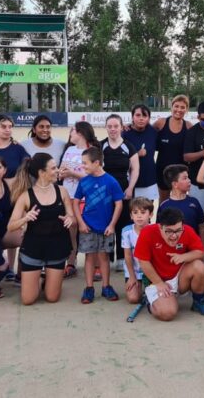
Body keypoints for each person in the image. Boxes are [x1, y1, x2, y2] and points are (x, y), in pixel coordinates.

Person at [8, 153, 76, 305]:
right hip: (33, 249)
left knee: (52, 298)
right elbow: (11, 226)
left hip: (57, 247)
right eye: (53, 168)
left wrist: (69, 219)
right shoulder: (26, 196)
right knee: (28, 300)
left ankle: (48, 279)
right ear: (41, 172)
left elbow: (72, 218)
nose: (57, 170)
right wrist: (25, 218)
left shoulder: (62, 191)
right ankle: (37, 278)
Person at [133, 208, 204, 320]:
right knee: (168, 313)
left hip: (180, 276)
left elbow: (200, 253)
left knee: (199, 266)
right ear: (160, 227)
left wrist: (183, 257)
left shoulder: (187, 230)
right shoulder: (147, 232)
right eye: (169, 231)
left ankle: (199, 301)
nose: (174, 236)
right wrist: (158, 282)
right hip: (157, 280)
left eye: (178, 230)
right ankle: (152, 301)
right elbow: (143, 261)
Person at [73, 147, 125, 304]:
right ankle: (89, 288)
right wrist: (81, 222)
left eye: (85, 163)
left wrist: (112, 224)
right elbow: (76, 203)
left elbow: (119, 204)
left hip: (106, 228)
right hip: (88, 227)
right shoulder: (84, 181)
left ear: (97, 163)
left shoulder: (111, 181)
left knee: (104, 257)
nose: (83, 166)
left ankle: (106, 286)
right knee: (89, 257)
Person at [59, 121, 100, 278]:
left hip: (86, 196)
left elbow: (95, 174)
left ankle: (95, 264)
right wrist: (61, 173)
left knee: (90, 229)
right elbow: (62, 169)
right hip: (68, 194)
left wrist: (72, 173)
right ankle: (71, 262)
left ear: (80, 133)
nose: (70, 134)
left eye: (72, 131)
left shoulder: (92, 151)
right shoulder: (69, 149)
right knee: (71, 229)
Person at [102, 114, 140, 270]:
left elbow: (135, 169)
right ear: (106, 127)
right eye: (109, 126)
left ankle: (121, 258)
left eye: (115, 126)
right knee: (107, 223)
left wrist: (130, 188)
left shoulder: (128, 146)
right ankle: (108, 257)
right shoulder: (100, 146)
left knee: (124, 224)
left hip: (125, 192)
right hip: (105, 193)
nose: (112, 129)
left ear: (121, 127)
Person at [154, 95, 192, 203]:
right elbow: (145, 133)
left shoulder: (188, 126)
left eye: (182, 107)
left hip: (181, 172)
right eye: (176, 106)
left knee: (182, 200)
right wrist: (129, 125)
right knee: (163, 201)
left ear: (186, 110)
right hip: (163, 171)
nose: (179, 110)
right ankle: (161, 220)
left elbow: (201, 135)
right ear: (171, 107)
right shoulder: (161, 123)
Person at [157, 165, 204, 240]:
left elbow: (201, 228)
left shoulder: (194, 202)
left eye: (188, 177)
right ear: (175, 184)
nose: (189, 180)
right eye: (185, 178)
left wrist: (202, 249)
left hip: (193, 249)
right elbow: (159, 230)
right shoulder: (164, 206)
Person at [122, 104, 159, 201]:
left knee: (147, 212)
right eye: (138, 115)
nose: (141, 119)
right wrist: (137, 154)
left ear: (149, 118)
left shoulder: (153, 132)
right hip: (130, 183)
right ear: (132, 117)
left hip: (149, 180)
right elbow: (119, 159)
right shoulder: (125, 133)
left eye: (144, 116)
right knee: (131, 213)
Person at [120, 197, 153, 304]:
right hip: (134, 270)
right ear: (131, 216)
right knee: (133, 299)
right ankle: (138, 287)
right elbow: (128, 256)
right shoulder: (126, 232)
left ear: (150, 215)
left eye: (143, 212)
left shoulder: (155, 231)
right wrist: (132, 277)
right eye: (135, 212)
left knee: (154, 297)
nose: (139, 216)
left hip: (151, 270)